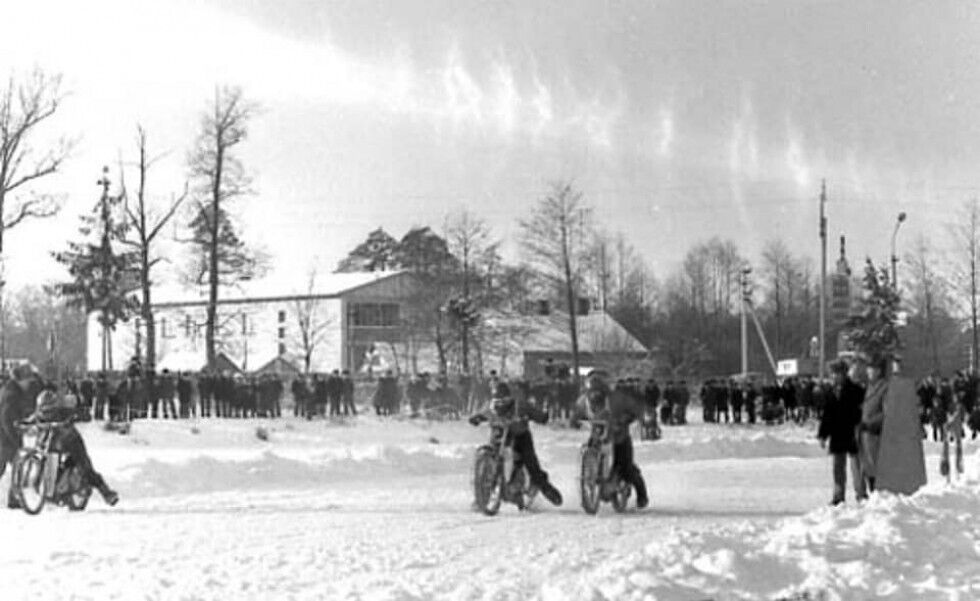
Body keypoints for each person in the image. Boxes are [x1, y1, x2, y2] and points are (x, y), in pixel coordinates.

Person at [468, 382, 563, 506]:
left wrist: (541, 416)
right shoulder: (490, 407)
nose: (500, 405)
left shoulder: (520, 406)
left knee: (530, 463)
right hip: (498, 438)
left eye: (503, 401)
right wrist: (476, 418)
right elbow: (481, 414)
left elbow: (537, 414)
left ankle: (545, 487)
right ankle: (482, 497)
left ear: (509, 399)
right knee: (489, 455)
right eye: (497, 402)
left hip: (519, 437)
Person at [30, 384, 119, 506]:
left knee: (85, 467)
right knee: (46, 461)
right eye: (43, 409)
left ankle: (107, 493)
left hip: (71, 442)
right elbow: (31, 419)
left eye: (49, 410)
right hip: (51, 443)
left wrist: (77, 416)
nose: (45, 413)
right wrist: (22, 423)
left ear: (55, 407)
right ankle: (49, 490)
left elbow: (84, 414)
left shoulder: (63, 412)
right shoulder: (39, 415)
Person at [571, 373, 649, 509]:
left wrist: (634, 417)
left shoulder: (616, 399)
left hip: (619, 437)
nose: (595, 396)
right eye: (592, 392)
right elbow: (577, 411)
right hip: (598, 436)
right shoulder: (584, 401)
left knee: (626, 467)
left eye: (598, 392)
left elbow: (636, 408)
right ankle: (590, 477)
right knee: (587, 449)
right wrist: (574, 420)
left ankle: (642, 495)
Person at [817, 360, 866, 505]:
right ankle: (838, 496)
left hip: (852, 432)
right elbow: (827, 415)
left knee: (856, 466)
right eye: (832, 373)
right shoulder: (831, 392)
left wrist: (860, 426)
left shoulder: (856, 390)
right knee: (838, 467)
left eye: (836, 373)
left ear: (844, 374)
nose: (833, 376)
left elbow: (863, 411)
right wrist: (823, 434)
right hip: (837, 434)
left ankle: (861, 494)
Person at [0, 367, 43, 508]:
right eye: (27, 380)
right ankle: (14, 499)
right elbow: (6, 419)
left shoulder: (12, 390)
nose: (29, 383)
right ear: (20, 379)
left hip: (6, 438)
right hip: (5, 439)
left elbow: (14, 416)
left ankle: (14, 498)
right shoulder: (11, 394)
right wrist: (15, 438)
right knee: (16, 466)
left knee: (16, 467)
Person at [858, 356, 889, 494]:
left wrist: (870, 423)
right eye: (868, 368)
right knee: (867, 467)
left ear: (878, 371)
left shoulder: (884, 388)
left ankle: (877, 494)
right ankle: (872, 494)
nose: (868, 371)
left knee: (875, 467)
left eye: (871, 368)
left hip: (875, 433)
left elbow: (886, 412)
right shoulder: (869, 387)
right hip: (865, 434)